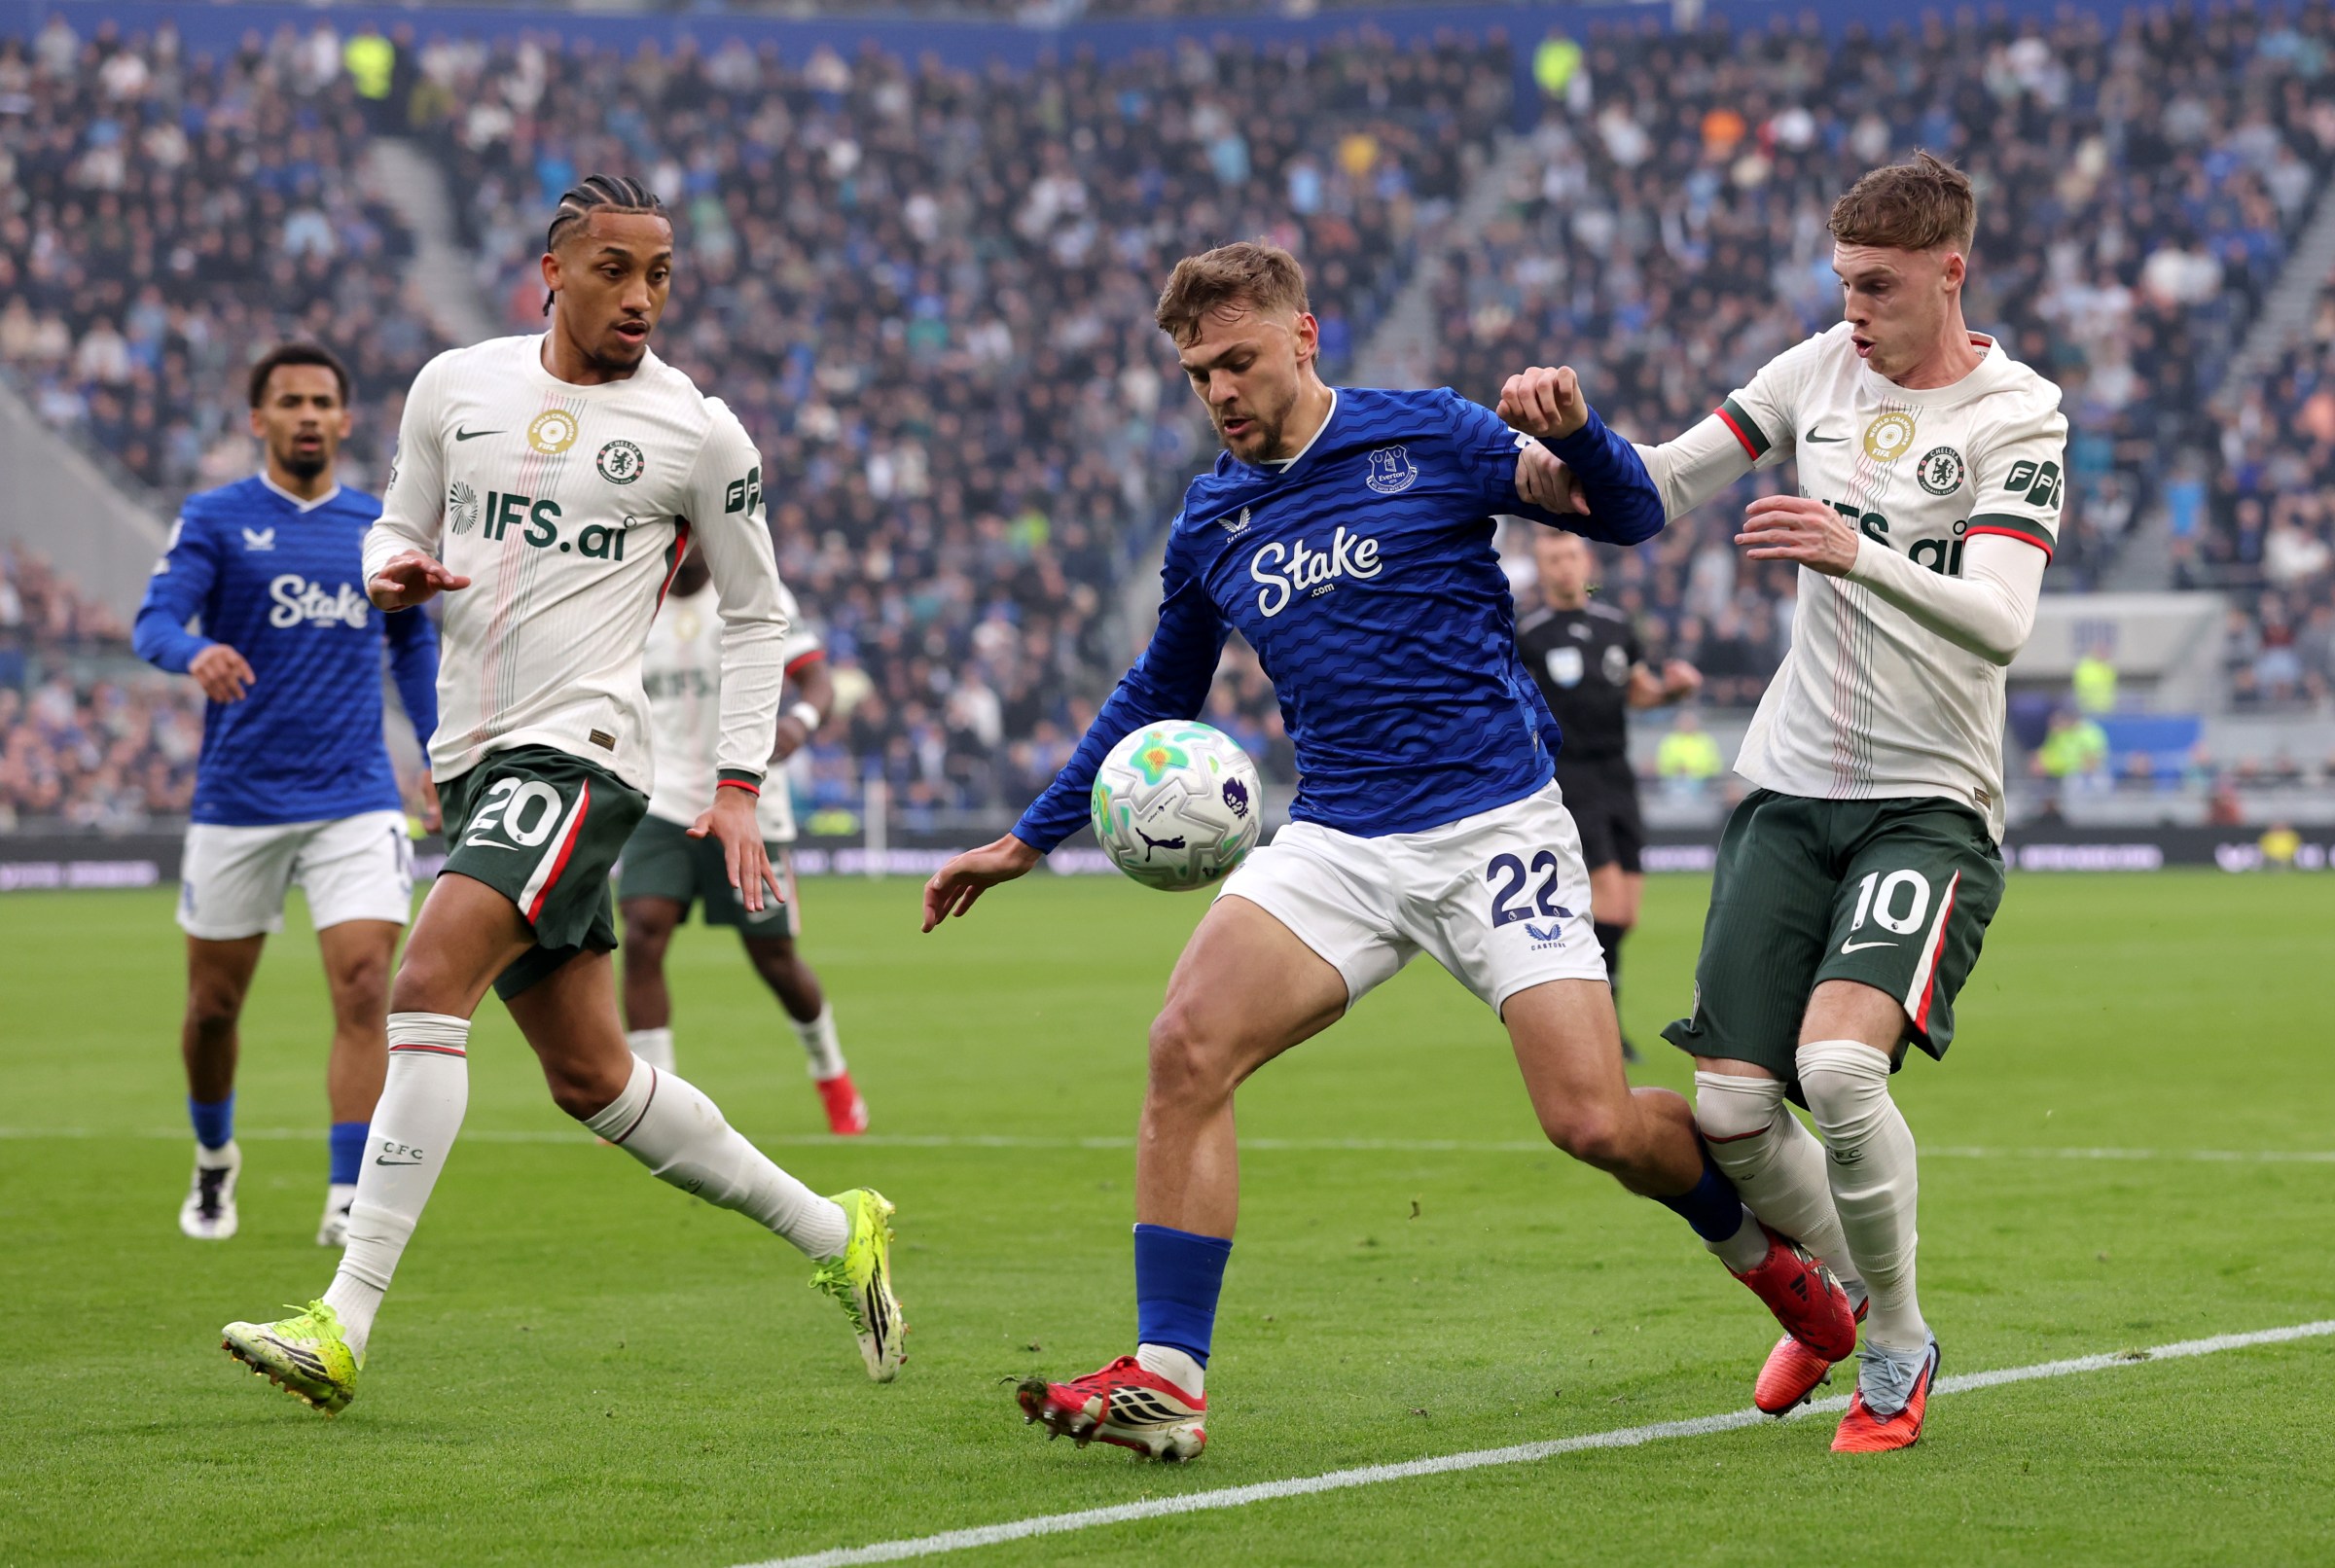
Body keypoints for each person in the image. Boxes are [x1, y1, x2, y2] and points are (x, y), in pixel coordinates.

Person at [922, 240, 1853, 1462]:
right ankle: (1168, 1376)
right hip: (1339, 838)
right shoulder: (1214, 518)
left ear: (1306, 337)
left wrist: (1576, 432)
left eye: (1239, 361)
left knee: (1591, 1121)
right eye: (1198, 373)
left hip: (1496, 829)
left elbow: (1624, 515)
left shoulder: (1430, 435)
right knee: (1184, 1047)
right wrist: (1025, 838)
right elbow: (1163, 684)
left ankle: (1769, 1265)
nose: (1220, 392)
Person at [219, 176, 903, 1415]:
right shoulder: (456, 387)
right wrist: (392, 571)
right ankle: (834, 1229)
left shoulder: (700, 431)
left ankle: (343, 1318)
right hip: (473, 757)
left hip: (584, 750)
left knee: (427, 986)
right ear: (554, 270)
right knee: (592, 1078)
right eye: (615, 270)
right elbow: (390, 524)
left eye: (660, 273)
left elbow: (761, 616)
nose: (641, 295)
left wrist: (739, 783)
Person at [1522, 153, 2066, 1451]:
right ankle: (1850, 1304)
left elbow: (2000, 619)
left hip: (1928, 800)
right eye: (1843, 284)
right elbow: (1652, 489)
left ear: (1952, 272)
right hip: (1788, 786)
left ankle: (1892, 1343)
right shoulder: (1812, 370)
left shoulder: (2020, 414)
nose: (1855, 310)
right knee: (1728, 1111)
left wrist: (1857, 549)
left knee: (1837, 1066)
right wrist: (1578, 437)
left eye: (1879, 286)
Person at [132, 342, 439, 1248]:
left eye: (322, 402)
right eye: (289, 401)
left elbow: (412, 647)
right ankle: (216, 1156)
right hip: (238, 801)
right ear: (257, 419)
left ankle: (346, 1198)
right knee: (213, 1009)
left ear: (346, 421)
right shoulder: (215, 519)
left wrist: (434, 750)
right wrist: (195, 652)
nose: (307, 415)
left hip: (355, 795)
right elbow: (153, 620)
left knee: (362, 986)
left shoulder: (379, 528)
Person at [618, 551, 868, 1135]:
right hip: (663, 798)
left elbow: (817, 679)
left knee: (774, 960)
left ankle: (833, 1076)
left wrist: (801, 722)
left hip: (748, 800)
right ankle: (655, 1104)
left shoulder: (756, 587)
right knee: (642, 933)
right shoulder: (633, 591)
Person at [1515, 528, 1700, 1059]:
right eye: (1552, 558)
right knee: (1610, 908)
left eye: (1571, 555)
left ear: (1585, 560)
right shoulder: (1530, 635)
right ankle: (1600, 1029)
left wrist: (1672, 691)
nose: (1564, 567)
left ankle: (1588, 1014)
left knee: (1626, 913)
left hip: (1618, 773)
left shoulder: (1616, 626)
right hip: (1571, 775)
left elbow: (1638, 692)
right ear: (1542, 568)